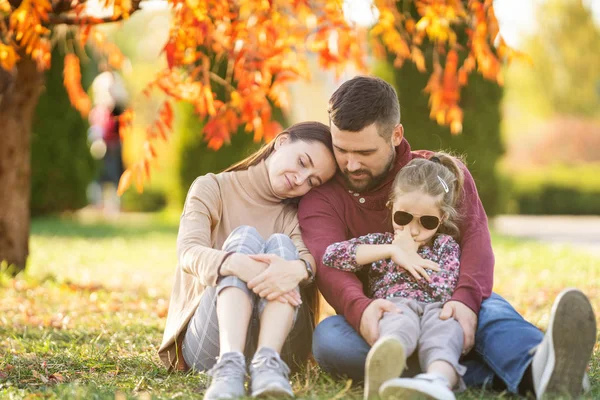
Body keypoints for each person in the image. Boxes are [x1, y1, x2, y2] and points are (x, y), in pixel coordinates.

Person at [298, 76, 597, 399]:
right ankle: (479, 374)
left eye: (365, 152)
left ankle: (536, 367)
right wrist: (361, 309)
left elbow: (476, 243)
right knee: (330, 339)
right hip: (389, 317)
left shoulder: (438, 174)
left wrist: (465, 301)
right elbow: (328, 262)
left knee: (492, 312)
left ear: (396, 135)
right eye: (341, 149)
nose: (350, 163)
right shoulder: (322, 197)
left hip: (447, 304)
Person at [158, 122, 337, 400]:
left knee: (281, 245)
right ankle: (229, 366)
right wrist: (237, 264)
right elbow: (189, 253)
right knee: (243, 237)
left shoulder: (292, 216)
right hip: (211, 344)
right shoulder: (212, 188)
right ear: (281, 142)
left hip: (281, 349)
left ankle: (267, 362)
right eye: (302, 162)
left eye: (313, 181)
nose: (301, 180)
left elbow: (308, 259)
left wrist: (296, 269)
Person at [323, 153, 467, 400]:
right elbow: (332, 255)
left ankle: (437, 382)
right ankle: (385, 371)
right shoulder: (381, 243)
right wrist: (392, 250)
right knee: (398, 326)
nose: (412, 229)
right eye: (403, 217)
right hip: (395, 306)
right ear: (392, 208)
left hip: (436, 308)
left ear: (441, 220)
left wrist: (412, 256)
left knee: (444, 332)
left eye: (427, 221)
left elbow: (444, 290)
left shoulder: (445, 245)